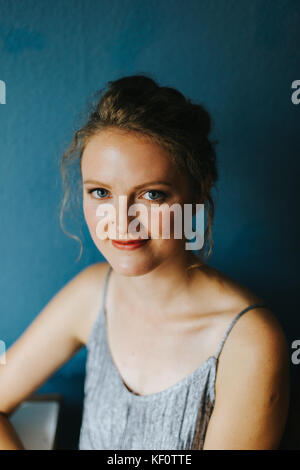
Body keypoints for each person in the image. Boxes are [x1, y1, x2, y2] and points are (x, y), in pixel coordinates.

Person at [0, 75, 290, 450]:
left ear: (199, 190)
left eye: (152, 194)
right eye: (101, 192)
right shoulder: (91, 293)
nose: (122, 221)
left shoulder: (250, 343)